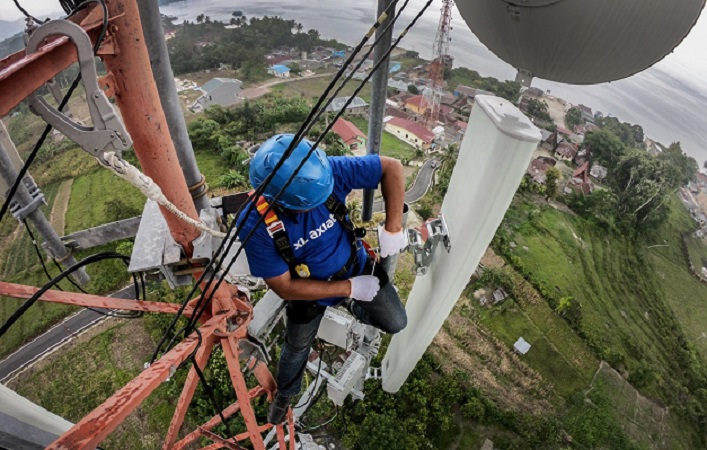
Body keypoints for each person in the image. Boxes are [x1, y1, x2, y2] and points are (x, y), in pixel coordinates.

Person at [237, 134, 408, 424]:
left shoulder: (320, 174)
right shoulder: (255, 223)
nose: (315, 209)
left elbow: (391, 167)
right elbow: (283, 286)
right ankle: (285, 394)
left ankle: (352, 304)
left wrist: (392, 229)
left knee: (396, 321)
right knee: (296, 349)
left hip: (355, 265)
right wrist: (349, 289)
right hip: (308, 292)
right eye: (308, 207)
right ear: (284, 202)